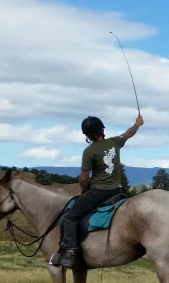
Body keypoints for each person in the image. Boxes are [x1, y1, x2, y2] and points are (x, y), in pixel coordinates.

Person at [51, 114, 143, 268]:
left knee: (69, 217)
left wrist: (82, 190)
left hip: (99, 192)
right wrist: (137, 124)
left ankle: (70, 251)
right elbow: (129, 133)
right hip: (118, 191)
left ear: (87, 135)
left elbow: (83, 178)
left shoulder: (89, 151)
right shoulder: (115, 142)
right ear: (101, 130)